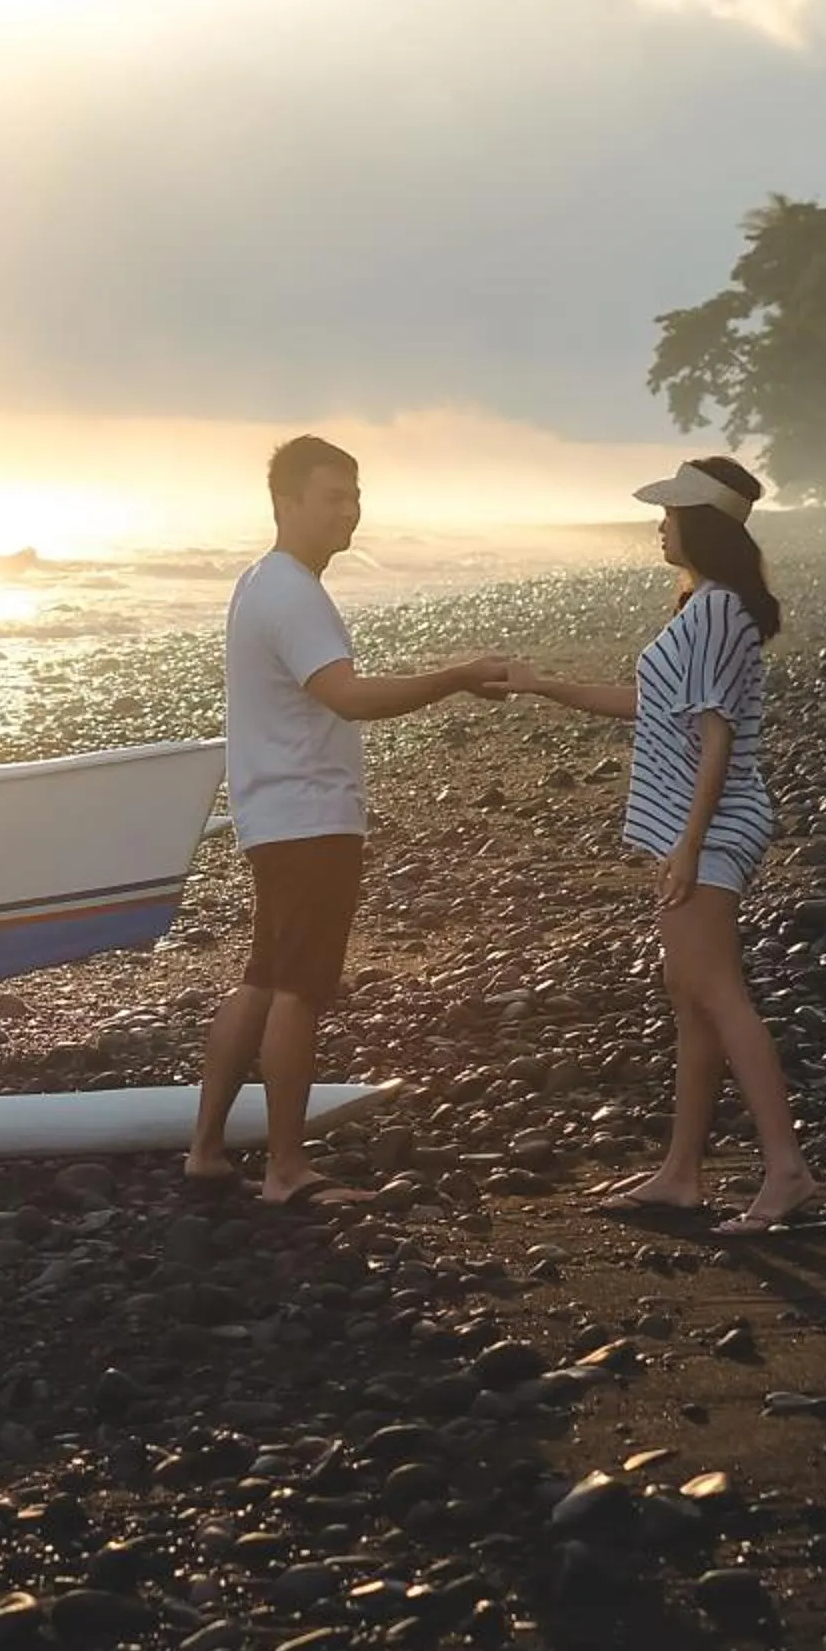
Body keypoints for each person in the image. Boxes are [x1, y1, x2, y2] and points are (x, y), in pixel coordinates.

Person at [184, 434, 511, 1208]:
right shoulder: (291, 591)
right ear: (285, 502)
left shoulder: (260, 581)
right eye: (333, 497)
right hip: (306, 818)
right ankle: (286, 1170)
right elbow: (348, 696)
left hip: (276, 812)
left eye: (355, 496)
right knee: (298, 990)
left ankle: (206, 1152)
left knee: (264, 979)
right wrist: (457, 677)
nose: (349, 512)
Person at [501, 455, 815, 1235]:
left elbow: (717, 736)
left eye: (671, 515)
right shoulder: (708, 605)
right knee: (692, 998)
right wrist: (545, 686)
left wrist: (689, 843)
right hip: (696, 827)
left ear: (701, 525)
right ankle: (680, 1173)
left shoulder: (716, 612)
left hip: (710, 826)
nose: (660, 526)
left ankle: (786, 1169)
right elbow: (649, 702)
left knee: (718, 995)